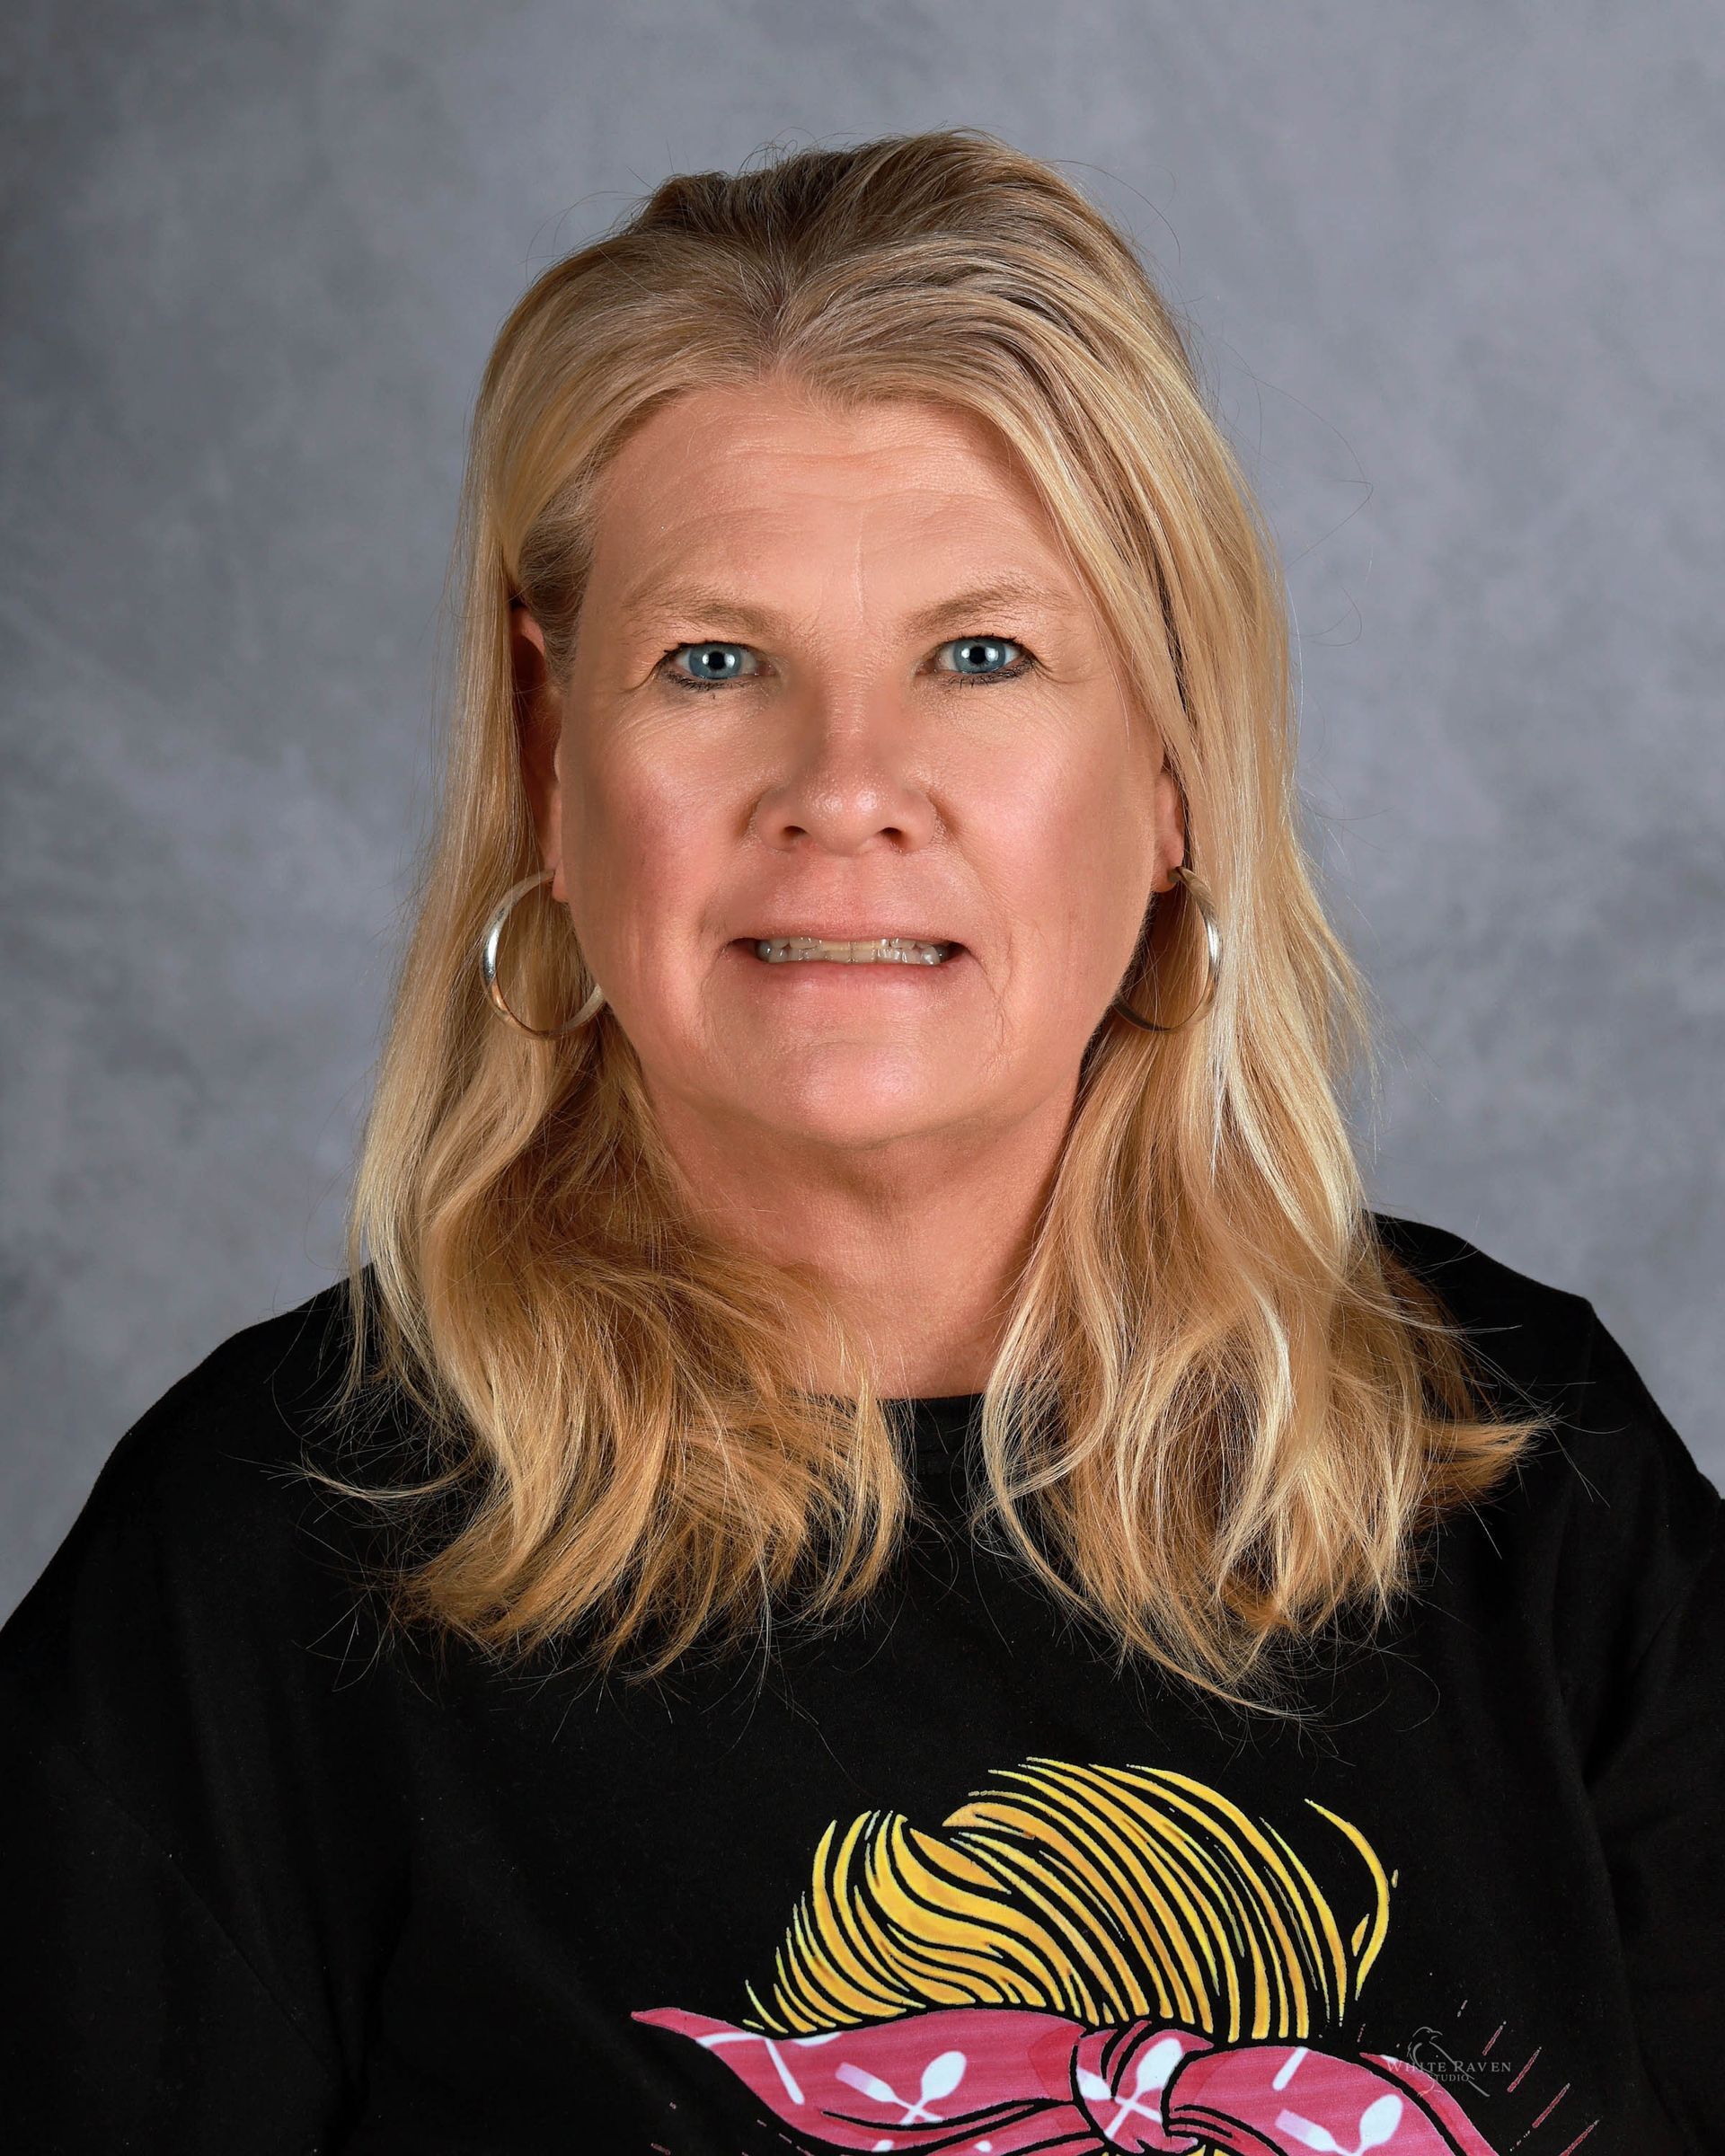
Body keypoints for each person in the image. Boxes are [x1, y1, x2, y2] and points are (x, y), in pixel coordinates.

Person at [1, 126, 1719, 2156]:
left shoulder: (1536, 1489)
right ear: (557, 761)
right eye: (715, 664)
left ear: (1171, 774)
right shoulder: (261, 1570)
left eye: (979, 656)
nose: (848, 787)